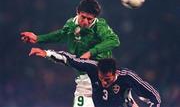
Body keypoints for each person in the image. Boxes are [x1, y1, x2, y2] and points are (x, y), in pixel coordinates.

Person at [21, 0, 120, 107]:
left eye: (90, 19)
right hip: (84, 81)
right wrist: (38, 38)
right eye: (83, 17)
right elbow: (61, 35)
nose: (86, 22)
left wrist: (90, 52)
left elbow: (114, 40)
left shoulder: (100, 26)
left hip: (104, 79)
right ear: (77, 12)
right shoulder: (71, 25)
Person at [29, 48, 161, 107]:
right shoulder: (92, 68)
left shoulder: (127, 77)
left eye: (107, 79)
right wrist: (46, 53)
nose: (103, 82)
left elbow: (154, 97)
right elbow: (69, 59)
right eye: (101, 78)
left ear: (115, 73)